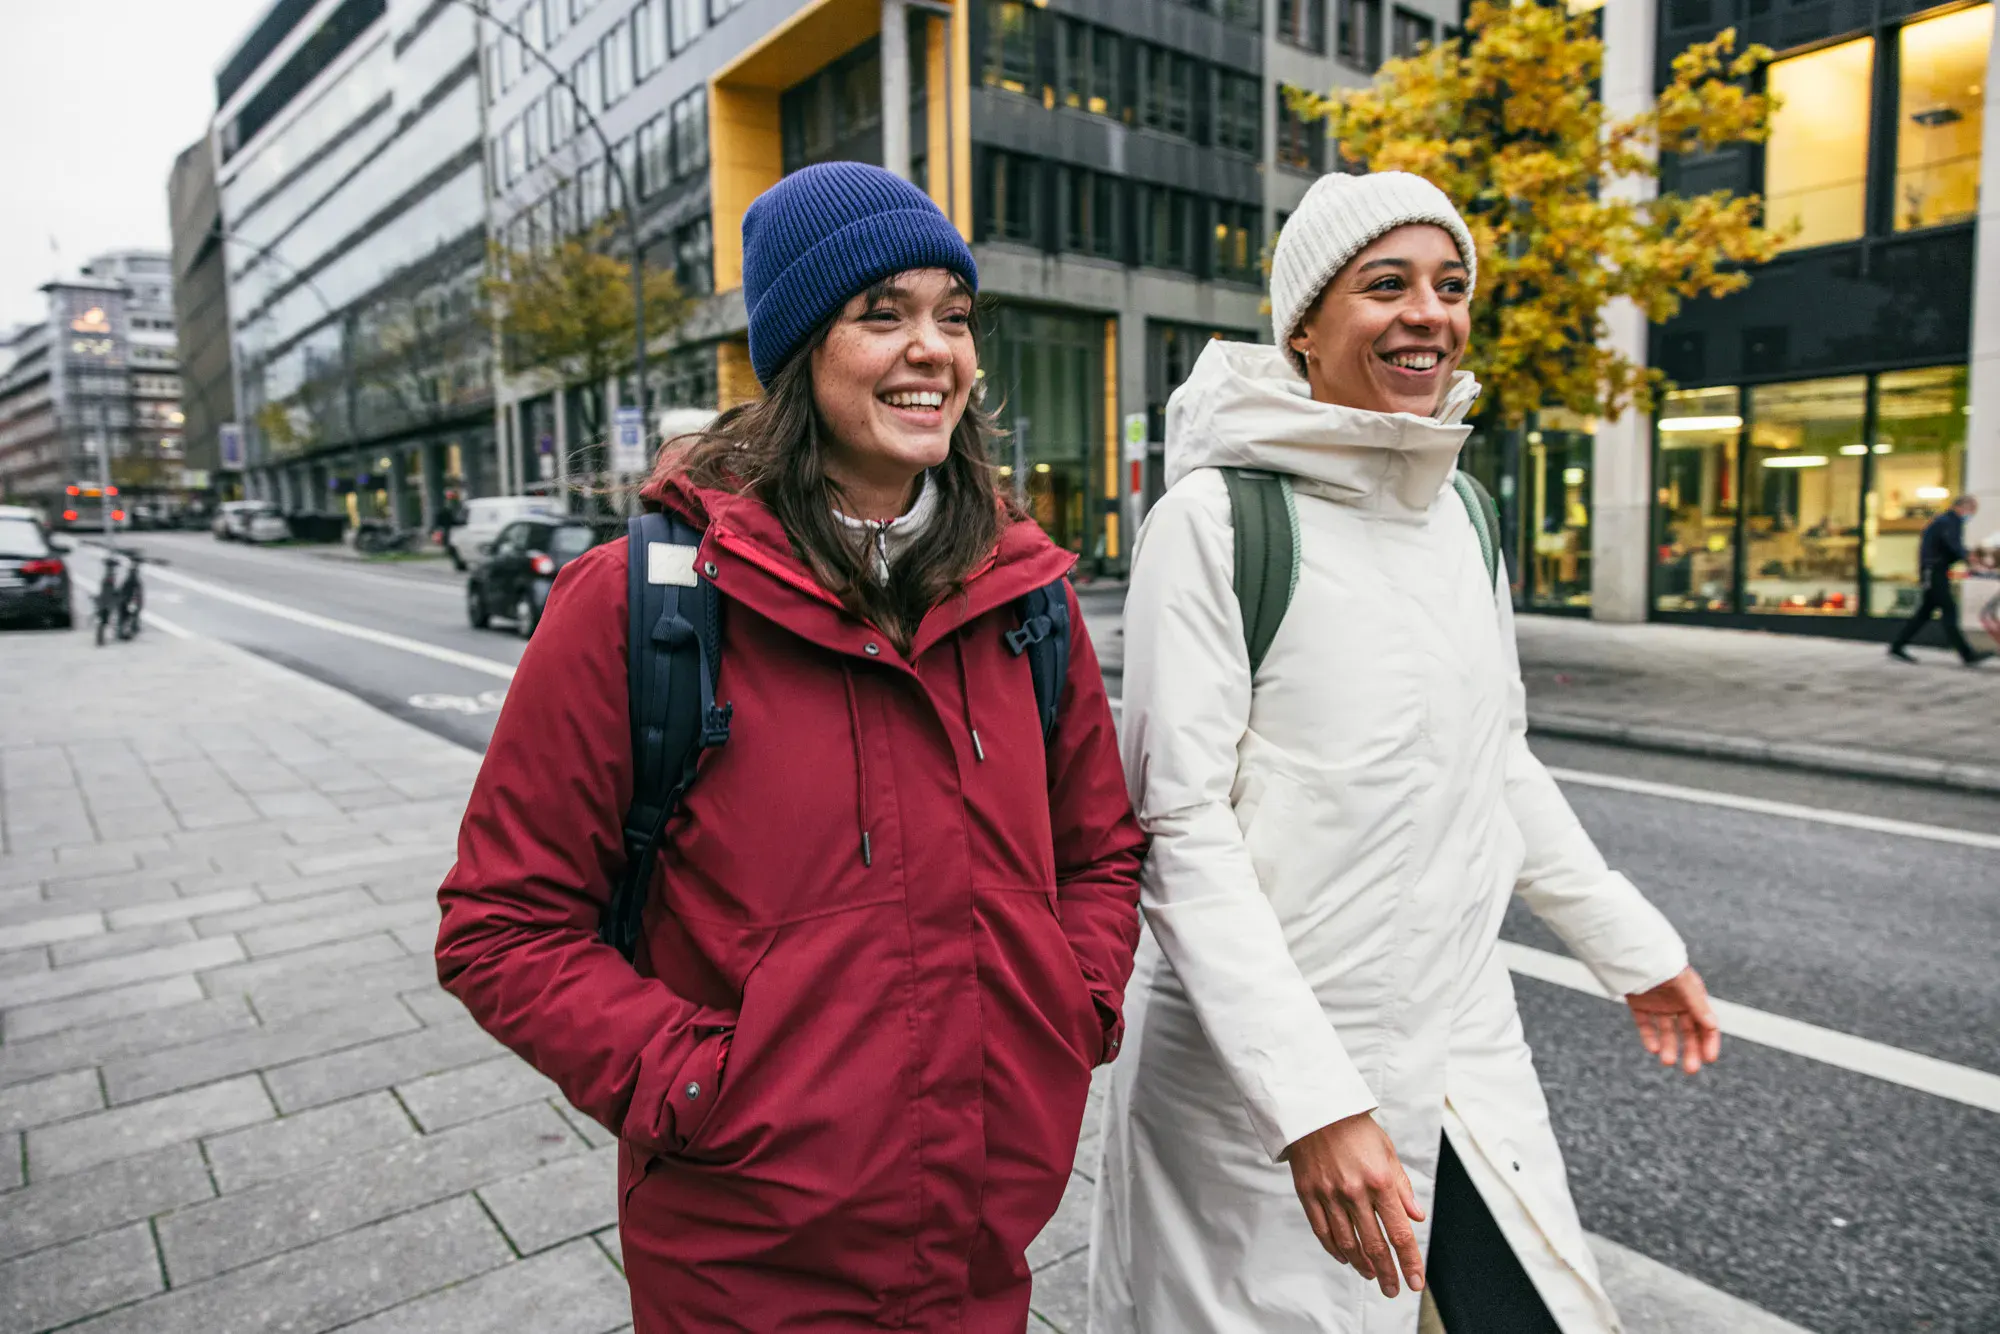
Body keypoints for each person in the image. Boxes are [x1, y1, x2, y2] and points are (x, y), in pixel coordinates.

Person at [435, 162, 1144, 1331]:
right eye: (883, 315)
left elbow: (1100, 851)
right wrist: (699, 1078)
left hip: (980, 1247)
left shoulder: (1028, 597)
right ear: (799, 349)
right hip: (741, 1267)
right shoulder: (637, 598)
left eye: (953, 317)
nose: (933, 349)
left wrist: (1068, 1006)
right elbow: (500, 926)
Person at [1088, 171, 1721, 1334]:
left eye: (1448, 285)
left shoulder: (1460, 516)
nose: (1426, 313)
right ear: (1304, 327)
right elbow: (1176, 827)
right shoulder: (1217, 521)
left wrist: (1631, 947)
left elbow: (1498, 765)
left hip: (1458, 1049)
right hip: (1260, 1085)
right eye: (1384, 285)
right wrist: (1313, 1102)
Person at [1889, 494, 1993, 666]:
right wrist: (1970, 559)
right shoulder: (1949, 522)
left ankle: (1897, 646)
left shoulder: (1945, 521)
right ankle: (1967, 654)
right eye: (1972, 511)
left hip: (1934, 571)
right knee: (1949, 610)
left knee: (1924, 613)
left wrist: (1969, 558)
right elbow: (1953, 546)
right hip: (1934, 572)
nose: (1971, 515)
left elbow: (1951, 548)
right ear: (1964, 507)